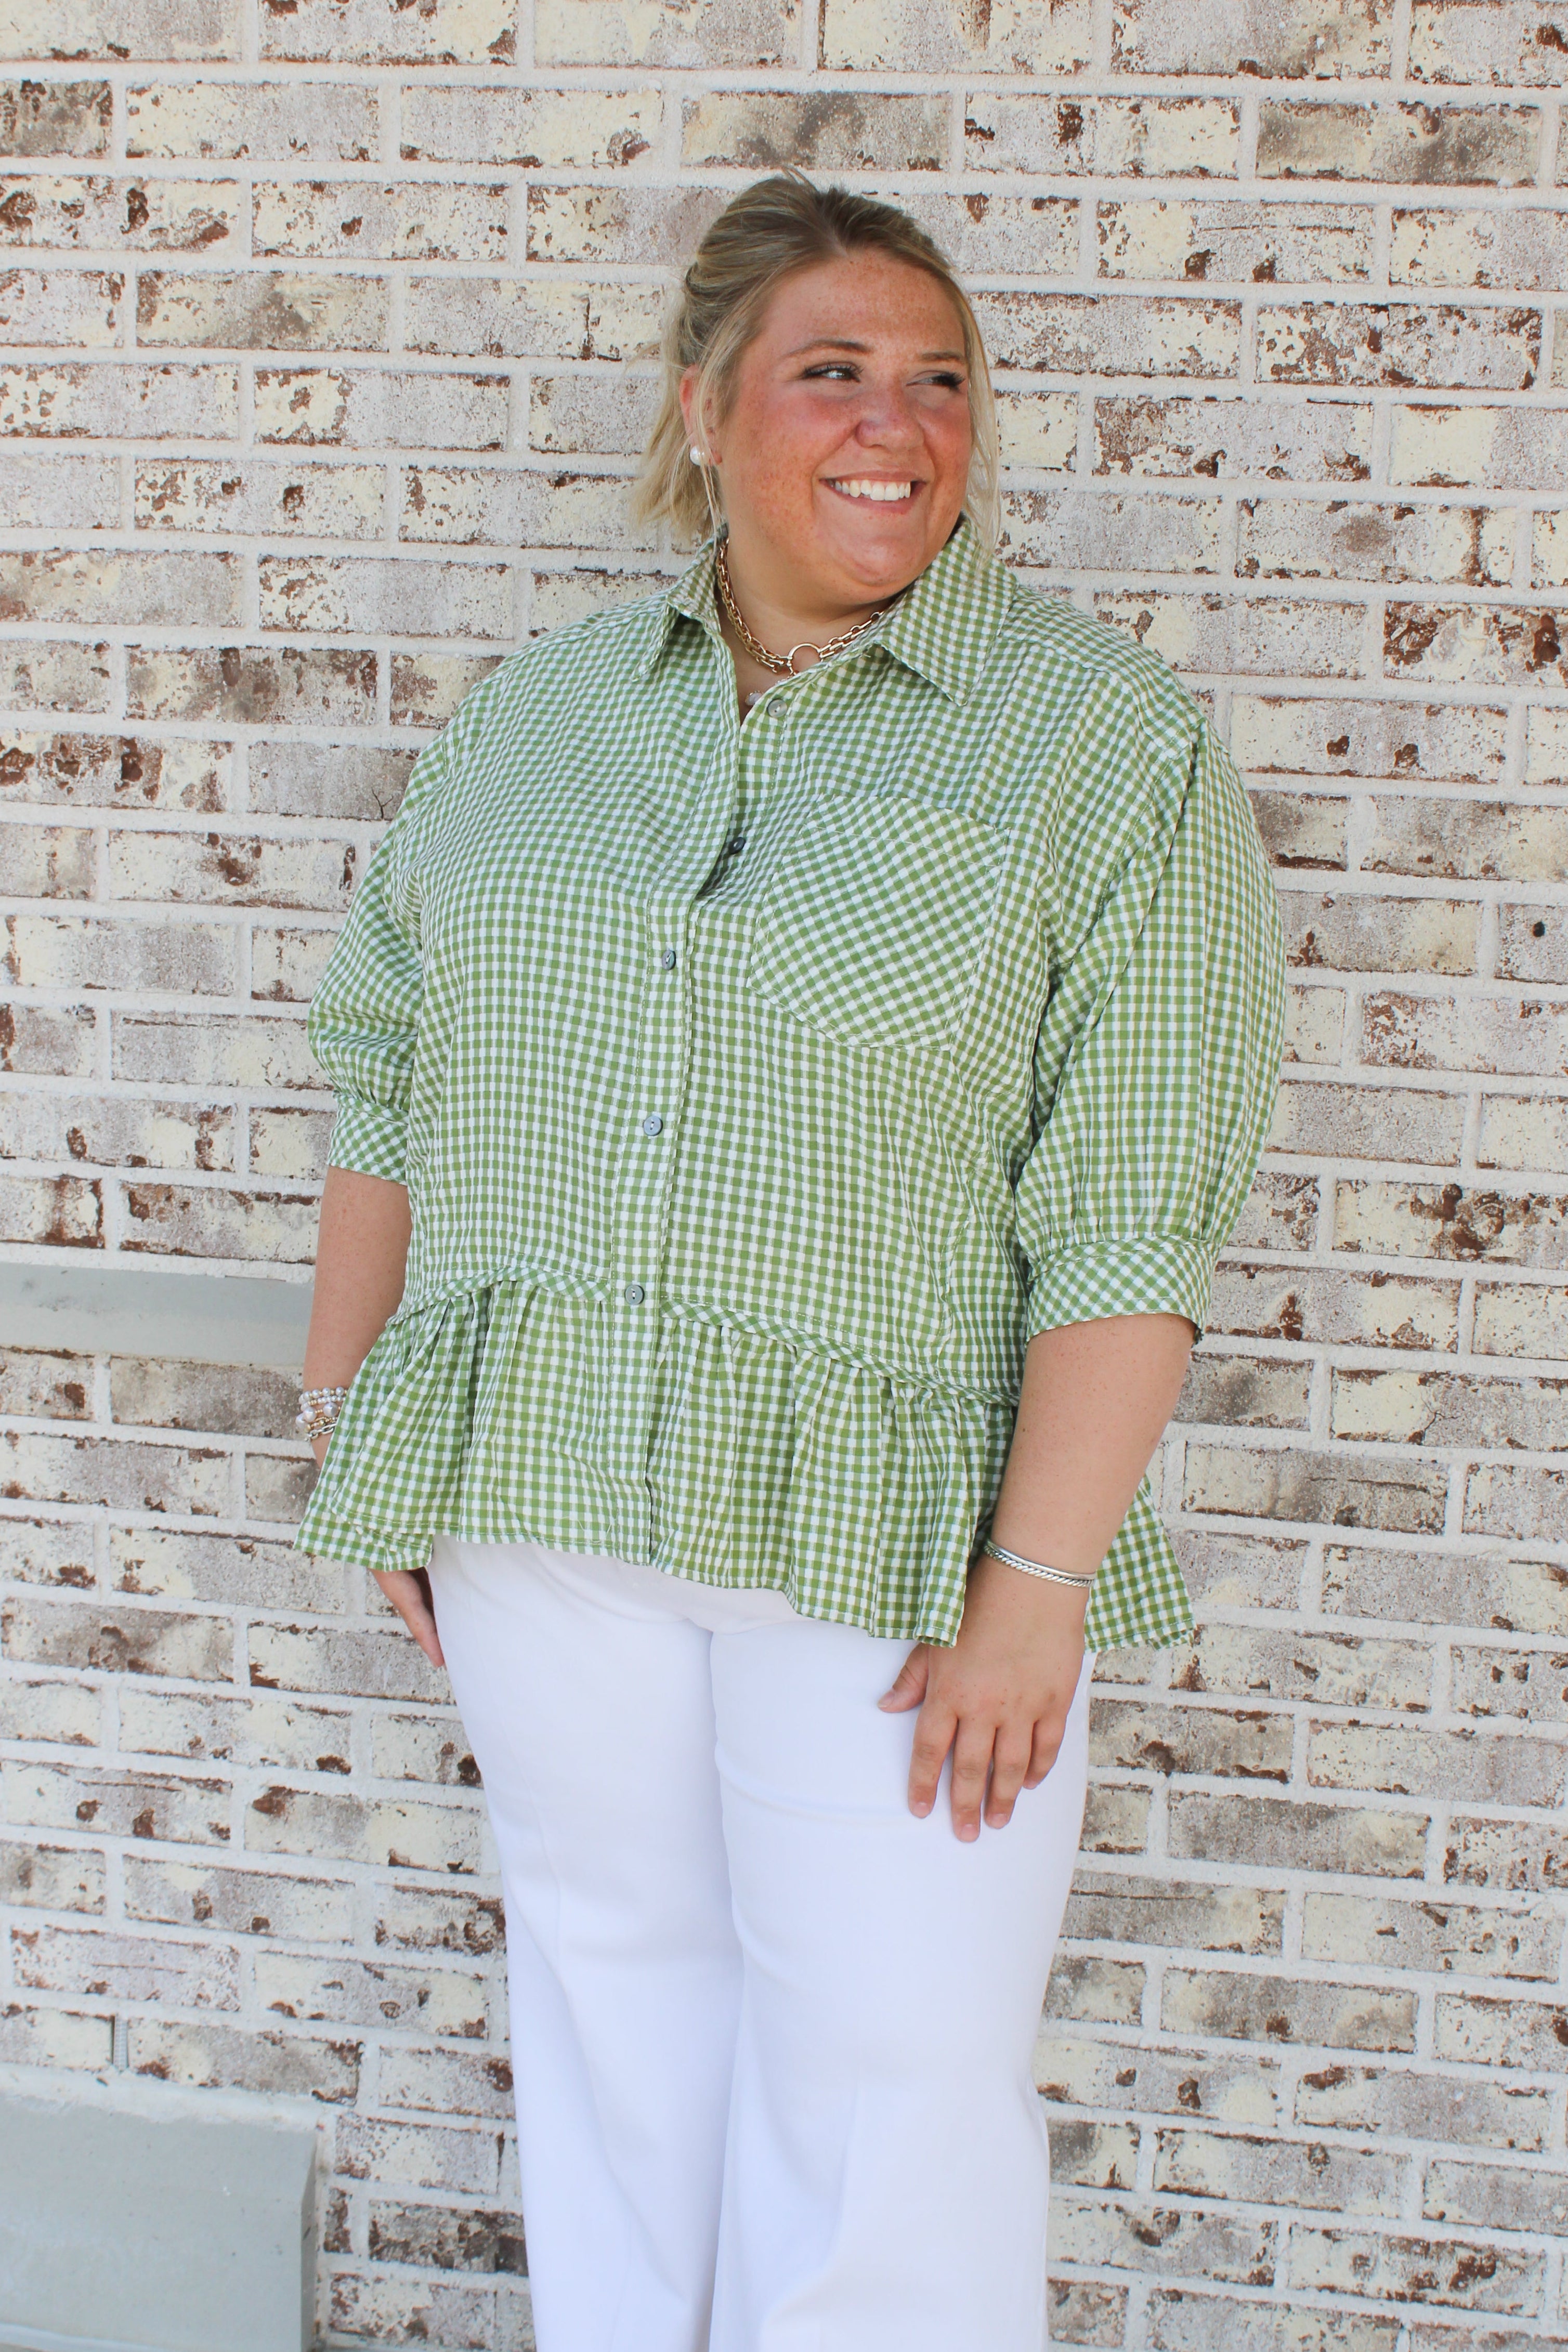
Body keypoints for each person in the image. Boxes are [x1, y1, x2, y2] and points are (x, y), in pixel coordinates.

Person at [292, 169, 1286, 2352]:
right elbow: (389, 1056)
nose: (895, 424)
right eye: (832, 371)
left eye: (939, 381)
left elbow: (1132, 1202)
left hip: (907, 1547)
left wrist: (1035, 1598)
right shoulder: (539, 716)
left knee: (887, 2091)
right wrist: (357, 1408)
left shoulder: (1097, 749)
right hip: (545, 1494)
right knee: (612, 2024)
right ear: (706, 411)